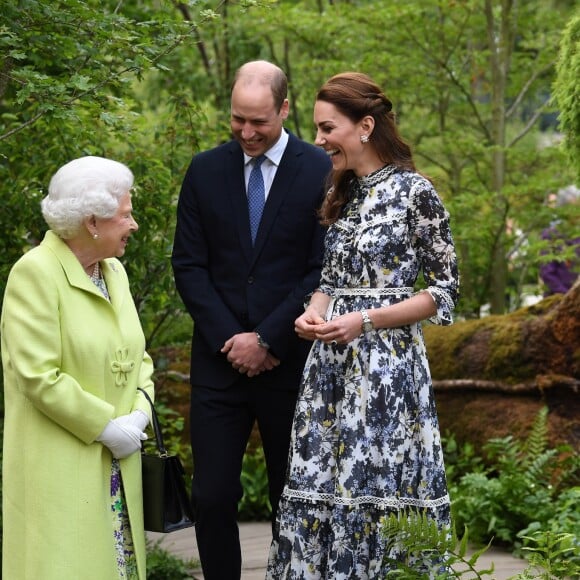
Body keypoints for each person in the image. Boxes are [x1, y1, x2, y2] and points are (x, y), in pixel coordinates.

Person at [266, 72, 460, 578]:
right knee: (319, 486)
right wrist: (313, 311)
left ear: (366, 125)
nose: (319, 139)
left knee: (375, 490)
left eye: (328, 127)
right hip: (330, 368)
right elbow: (329, 280)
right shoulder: (340, 191)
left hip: (387, 373)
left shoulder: (415, 192)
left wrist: (366, 320)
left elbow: (442, 292)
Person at [171, 60, 331, 579]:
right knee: (212, 495)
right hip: (219, 363)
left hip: (292, 359)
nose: (246, 132)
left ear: (285, 109)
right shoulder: (205, 169)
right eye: (238, 119)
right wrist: (233, 340)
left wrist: (267, 337)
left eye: (259, 121)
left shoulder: (321, 169)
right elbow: (189, 265)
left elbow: (322, 268)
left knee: (293, 492)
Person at [1, 156, 155, 579]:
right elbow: (38, 375)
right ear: (93, 221)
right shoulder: (34, 274)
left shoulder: (115, 272)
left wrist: (139, 416)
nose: (134, 224)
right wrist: (107, 428)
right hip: (62, 470)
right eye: (126, 214)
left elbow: (139, 356)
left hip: (119, 469)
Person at [539, 185, 580, 296]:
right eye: (574, 208)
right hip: (558, 300)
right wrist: (568, 297)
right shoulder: (551, 236)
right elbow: (547, 273)